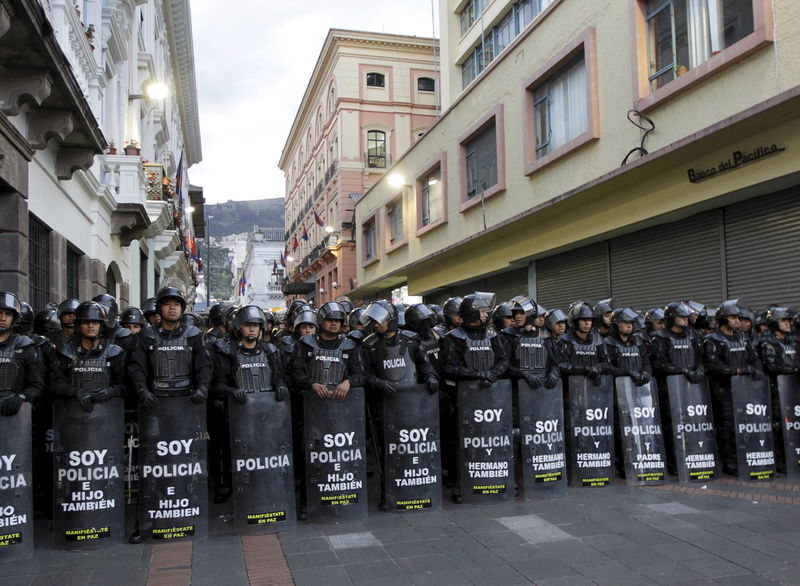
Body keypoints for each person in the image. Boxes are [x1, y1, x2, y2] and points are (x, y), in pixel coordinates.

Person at [127, 287, 212, 541]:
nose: (172, 308)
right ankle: (144, 524)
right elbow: (136, 367)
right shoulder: (146, 336)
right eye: (167, 304)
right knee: (152, 466)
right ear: (159, 309)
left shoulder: (195, 335)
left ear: (182, 309)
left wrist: (202, 388)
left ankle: (190, 514)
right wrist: (142, 390)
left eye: (176, 304)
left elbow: (205, 365)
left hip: (186, 407)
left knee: (186, 463)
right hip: (155, 408)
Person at [360, 300, 438, 509]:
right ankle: (390, 493)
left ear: (392, 320)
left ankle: (417, 489)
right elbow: (365, 374)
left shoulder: (411, 340)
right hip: (384, 406)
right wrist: (379, 383)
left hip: (412, 405)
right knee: (387, 451)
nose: (375, 325)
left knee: (414, 450)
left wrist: (431, 378)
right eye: (374, 322)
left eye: (379, 321)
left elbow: (424, 365)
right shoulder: (370, 344)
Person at [291, 301, 364, 518]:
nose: (334, 324)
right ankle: (307, 502)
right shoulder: (306, 344)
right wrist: (311, 384)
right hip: (311, 410)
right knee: (311, 456)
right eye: (331, 320)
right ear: (321, 321)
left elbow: (361, 374)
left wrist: (349, 382)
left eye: (338, 321)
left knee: (340, 456)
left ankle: (343, 496)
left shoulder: (350, 346)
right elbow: (295, 372)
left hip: (341, 412)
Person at [441, 292, 508, 503]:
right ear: (471, 314)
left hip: (491, 398)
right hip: (463, 399)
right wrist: (476, 375)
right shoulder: (452, 338)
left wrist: (493, 374)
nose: (486, 314)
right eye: (482, 311)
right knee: (462, 442)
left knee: (494, 439)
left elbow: (503, 359)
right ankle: (462, 485)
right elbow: (448, 367)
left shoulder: (492, 336)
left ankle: (499, 479)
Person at [703, 299, 764, 475]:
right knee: (727, 426)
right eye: (733, 317)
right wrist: (738, 370)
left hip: (745, 389)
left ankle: (747, 456)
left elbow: (754, 358)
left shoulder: (742, 338)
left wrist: (756, 371)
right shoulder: (712, 340)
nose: (738, 321)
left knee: (747, 424)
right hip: (723, 390)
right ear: (723, 319)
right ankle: (729, 462)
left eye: (738, 317)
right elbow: (713, 365)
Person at [757, 307, 799, 473]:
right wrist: (793, 370)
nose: (788, 323)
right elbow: (771, 366)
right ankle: (780, 460)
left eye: (789, 321)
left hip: (794, 390)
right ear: (774, 323)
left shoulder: (793, 341)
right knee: (778, 426)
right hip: (777, 392)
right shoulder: (768, 343)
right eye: (784, 321)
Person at [0, 293, 43, 415]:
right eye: (0, 313)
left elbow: (36, 385)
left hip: (13, 413)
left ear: (14, 319)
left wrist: (22, 396)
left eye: (7, 314)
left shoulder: (24, 346)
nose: (3, 318)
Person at [556, 301, 609, 383]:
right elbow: (562, 365)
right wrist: (583, 370)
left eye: (589, 320)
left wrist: (597, 368)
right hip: (571, 386)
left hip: (594, 386)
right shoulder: (565, 340)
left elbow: (606, 362)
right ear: (576, 321)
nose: (587, 323)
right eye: (583, 320)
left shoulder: (598, 340)